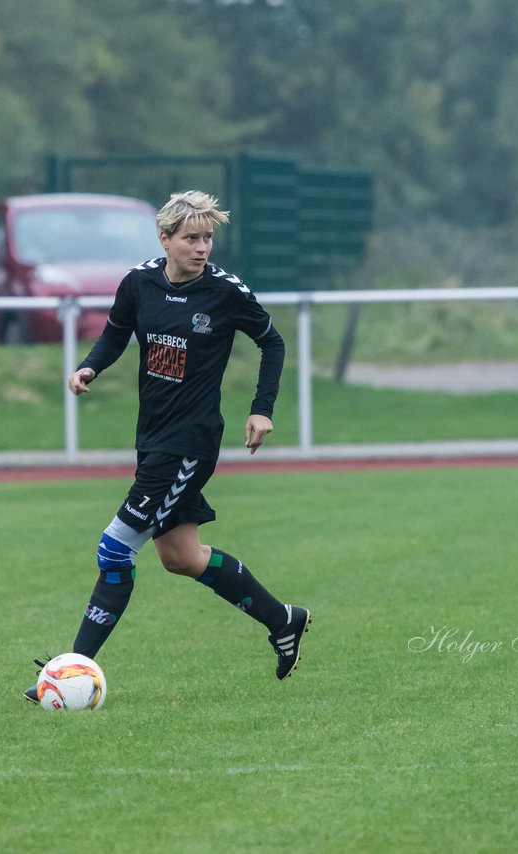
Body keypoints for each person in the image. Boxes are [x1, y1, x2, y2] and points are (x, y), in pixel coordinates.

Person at [24, 190, 310, 701]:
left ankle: (71, 672)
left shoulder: (225, 291)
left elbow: (272, 341)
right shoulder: (139, 282)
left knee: (114, 549)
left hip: (190, 442)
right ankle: (283, 620)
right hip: (152, 437)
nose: (202, 248)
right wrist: (91, 364)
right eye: (191, 238)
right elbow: (116, 335)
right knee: (181, 556)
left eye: (207, 238)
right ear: (165, 240)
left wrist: (261, 408)